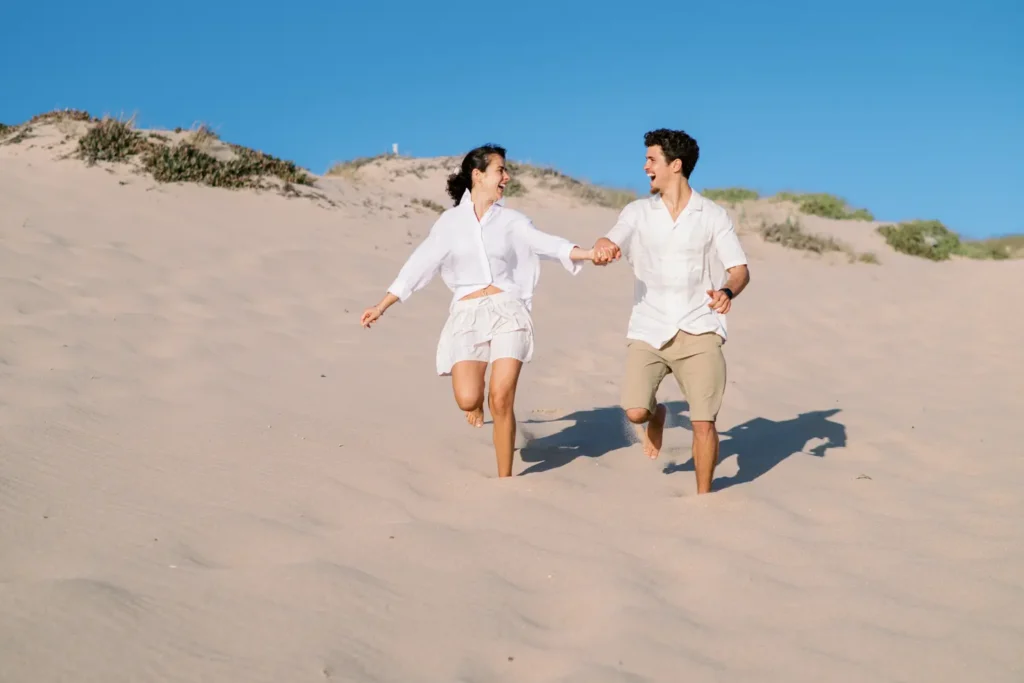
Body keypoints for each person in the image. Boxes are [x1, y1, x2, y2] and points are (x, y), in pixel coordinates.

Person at [360, 144, 597, 478]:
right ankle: (474, 407)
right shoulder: (449, 223)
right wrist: (382, 304)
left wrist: (586, 254)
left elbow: (545, 242)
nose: (506, 176)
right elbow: (420, 264)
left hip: (507, 310)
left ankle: (505, 480)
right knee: (468, 398)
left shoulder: (512, 220)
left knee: (501, 398)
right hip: (467, 314)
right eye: (500, 170)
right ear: (478, 175)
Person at [592, 128, 751, 494]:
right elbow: (612, 237)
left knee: (703, 423)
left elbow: (739, 269)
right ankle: (657, 414)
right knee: (635, 412)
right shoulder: (637, 212)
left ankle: (704, 498)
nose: (645, 166)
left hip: (699, 329)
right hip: (649, 326)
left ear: (675, 165)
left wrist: (728, 290)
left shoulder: (712, 215)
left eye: (652, 159)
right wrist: (603, 246)